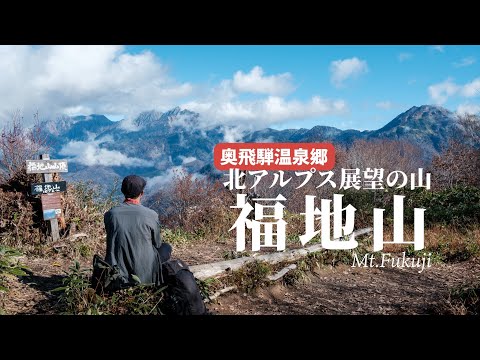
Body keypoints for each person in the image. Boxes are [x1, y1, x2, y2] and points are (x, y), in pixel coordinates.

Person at [104, 175, 172, 286]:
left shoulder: (110, 214)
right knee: (166, 247)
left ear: (122, 191)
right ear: (142, 194)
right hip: (146, 277)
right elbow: (157, 243)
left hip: (116, 276)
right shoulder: (151, 215)